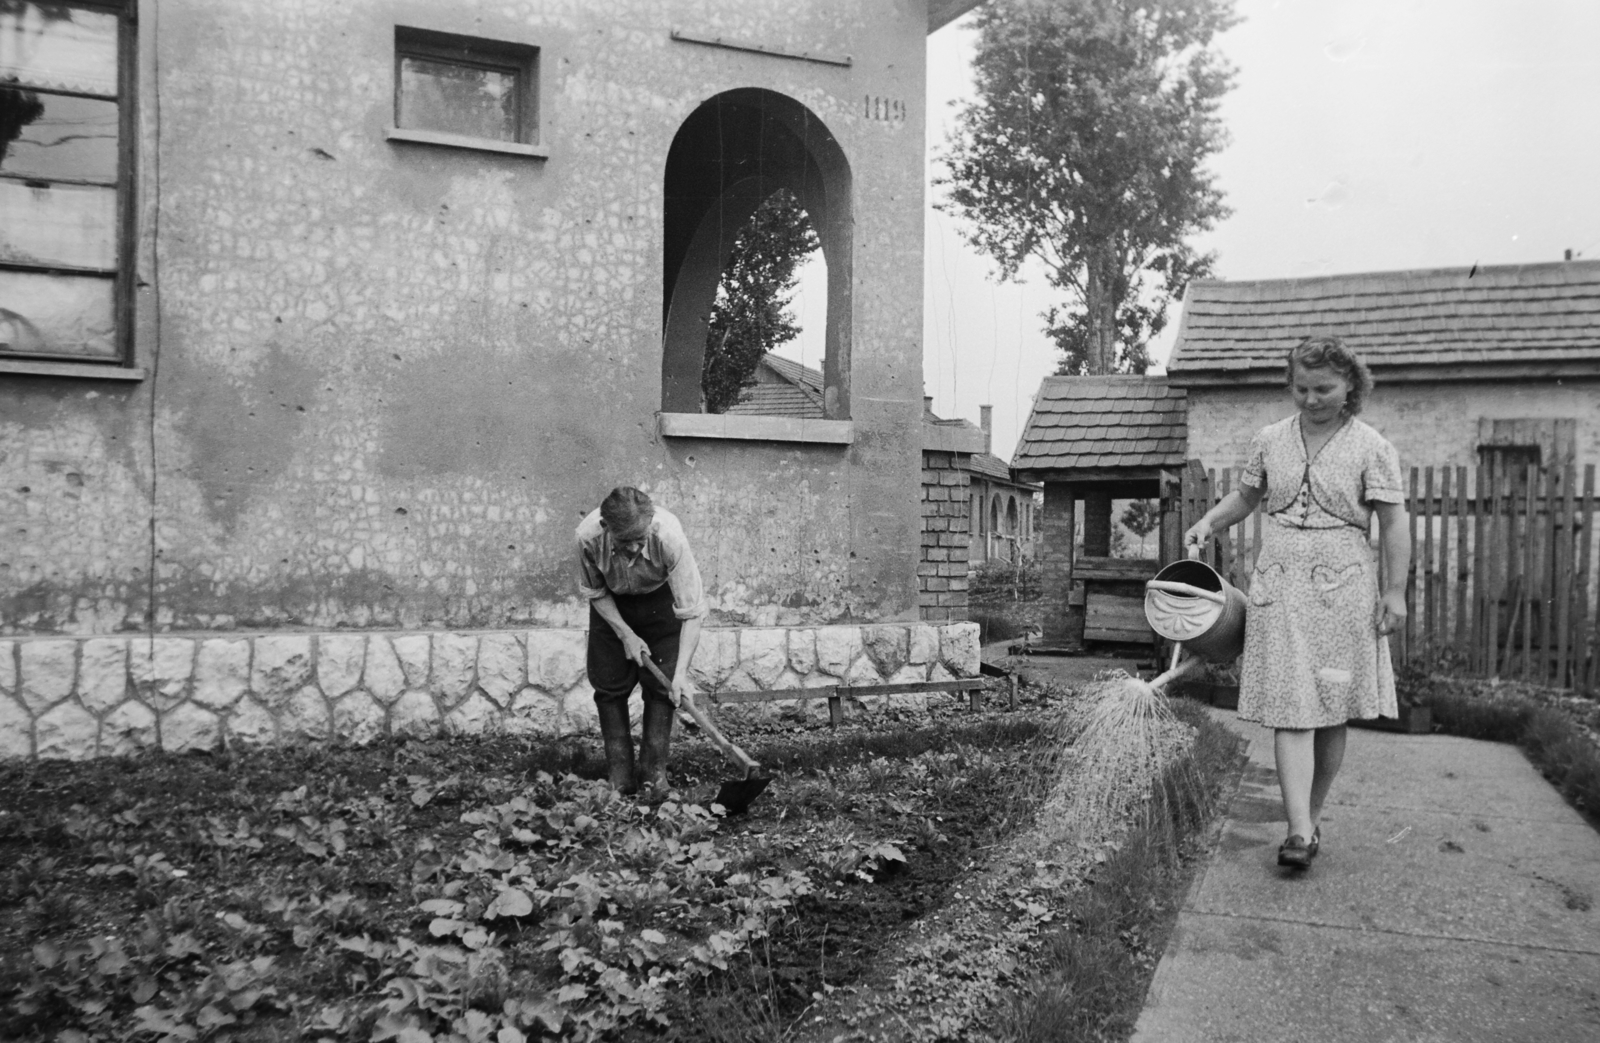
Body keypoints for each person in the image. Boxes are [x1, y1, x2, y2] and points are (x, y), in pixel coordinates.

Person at [1184, 336, 1409, 870]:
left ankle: (1309, 817)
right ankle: (1298, 830)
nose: (1311, 399)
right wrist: (1209, 521)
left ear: (1351, 386)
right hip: (1280, 584)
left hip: (1344, 589)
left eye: (1324, 389)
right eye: (1302, 389)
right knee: (1292, 707)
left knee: (1331, 711)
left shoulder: (1372, 446)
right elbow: (1248, 496)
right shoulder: (1269, 439)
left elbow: (1394, 522)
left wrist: (1395, 592)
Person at [576, 486, 706, 797]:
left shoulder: (670, 538)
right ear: (608, 529)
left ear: (650, 524)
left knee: (663, 690)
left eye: (640, 540)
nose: (634, 549)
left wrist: (680, 675)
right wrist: (625, 633)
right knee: (608, 686)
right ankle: (619, 775)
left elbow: (692, 612)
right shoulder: (588, 537)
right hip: (611, 606)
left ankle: (653, 775)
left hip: (660, 605)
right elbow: (595, 591)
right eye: (625, 542)